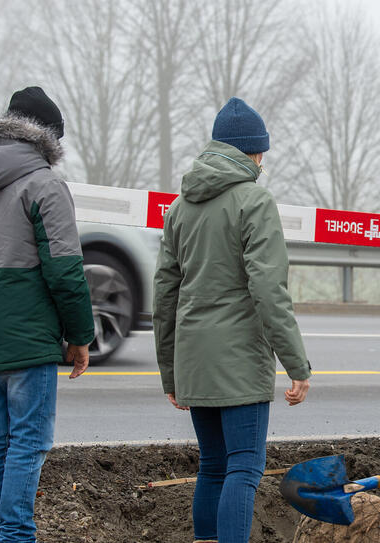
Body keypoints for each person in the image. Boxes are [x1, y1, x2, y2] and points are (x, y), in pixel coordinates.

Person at [153, 97, 311, 543]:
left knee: (213, 466)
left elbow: (165, 294)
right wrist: (297, 366)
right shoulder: (255, 200)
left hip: (194, 358)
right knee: (244, 466)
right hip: (240, 358)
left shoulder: (179, 207)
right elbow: (269, 289)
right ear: (255, 154)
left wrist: (171, 372)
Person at [0, 86, 94, 543]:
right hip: (28, 334)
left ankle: (3, 532)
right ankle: (15, 535)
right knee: (29, 441)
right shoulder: (46, 185)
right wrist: (79, 335)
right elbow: (66, 271)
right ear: (48, 139)